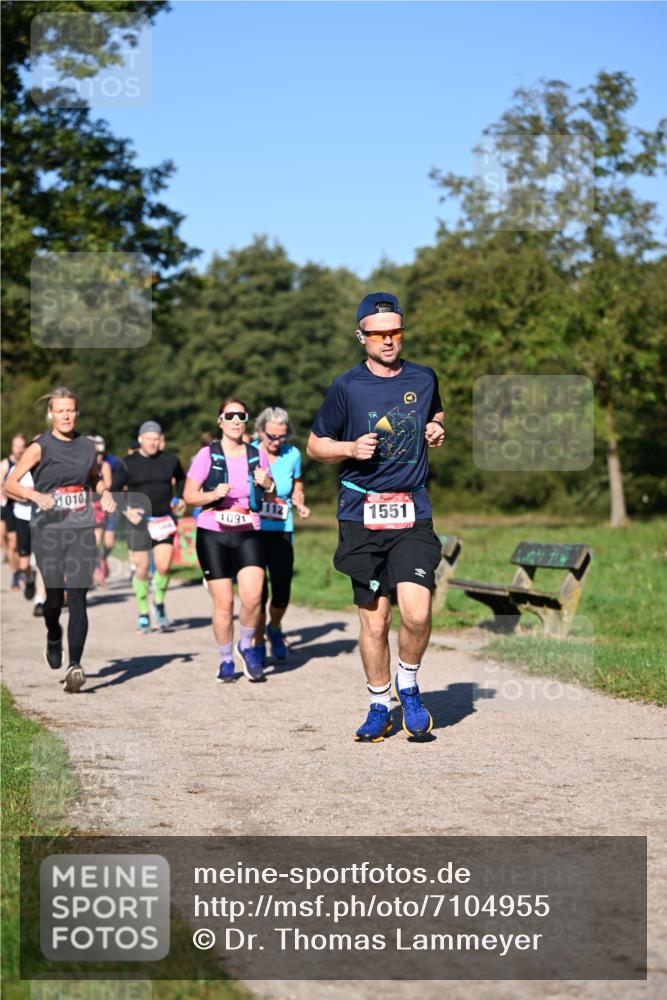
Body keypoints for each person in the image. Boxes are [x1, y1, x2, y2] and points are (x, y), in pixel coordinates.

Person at [307, 292, 445, 742]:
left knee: (418, 612)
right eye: (379, 333)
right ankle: (378, 703)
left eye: (395, 332)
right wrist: (348, 448)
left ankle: (408, 685)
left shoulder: (424, 378)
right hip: (360, 513)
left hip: (411, 511)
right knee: (375, 619)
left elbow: (436, 411)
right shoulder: (346, 386)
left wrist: (436, 427)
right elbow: (315, 445)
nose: (388, 341)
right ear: (361, 336)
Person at [5, 388, 116, 692]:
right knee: (55, 600)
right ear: (51, 414)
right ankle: (53, 633)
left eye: (71, 410)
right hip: (48, 530)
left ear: (76, 413)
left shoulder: (86, 446)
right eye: (60, 411)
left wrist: (104, 492)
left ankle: (75, 666)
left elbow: (94, 478)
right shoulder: (40, 447)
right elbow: (10, 484)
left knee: (78, 597)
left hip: (81, 527)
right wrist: (34, 495)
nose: (66, 416)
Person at [183, 397, 275, 683]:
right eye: (230, 415)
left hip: (248, 528)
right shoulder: (206, 455)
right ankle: (225, 660)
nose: (236, 421)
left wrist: (268, 484)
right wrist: (213, 495)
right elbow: (189, 496)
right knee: (224, 604)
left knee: (254, 597)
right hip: (213, 533)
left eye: (242, 416)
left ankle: (245, 645)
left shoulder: (255, 454)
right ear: (220, 420)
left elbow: (271, 495)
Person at [110, 421, 186, 632]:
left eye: (156, 439)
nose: (153, 443)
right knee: (142, 569)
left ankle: (159, 603)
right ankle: (143, 611)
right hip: (139, 523)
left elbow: (181, 479)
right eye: (149, 439)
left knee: (163, 566)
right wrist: (126, 510)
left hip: (163, 520)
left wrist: (179, 498)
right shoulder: (127, 463)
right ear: (141, 439)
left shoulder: (170, 460)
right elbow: (113, 490)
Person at [253, 406, 310, 662]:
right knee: (256, 593)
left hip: (281, 530)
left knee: (281, 590)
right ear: (260, 431)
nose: (276, 441)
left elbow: (297, 484)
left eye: (282, 436)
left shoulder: (293, 454)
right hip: (252, 530)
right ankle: (256, 642)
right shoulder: (249, 453)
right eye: (271, 436)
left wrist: (299, 499)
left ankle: (274, 628)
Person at [1, 433, 26, 588]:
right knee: (9, 542)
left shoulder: (27, 463)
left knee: (15, 544)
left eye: (21, 447)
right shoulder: (5, 464)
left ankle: (21, 570)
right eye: (16, 446)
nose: (18, 450)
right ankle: (16, 573)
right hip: (7, 506)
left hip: (23, 507)